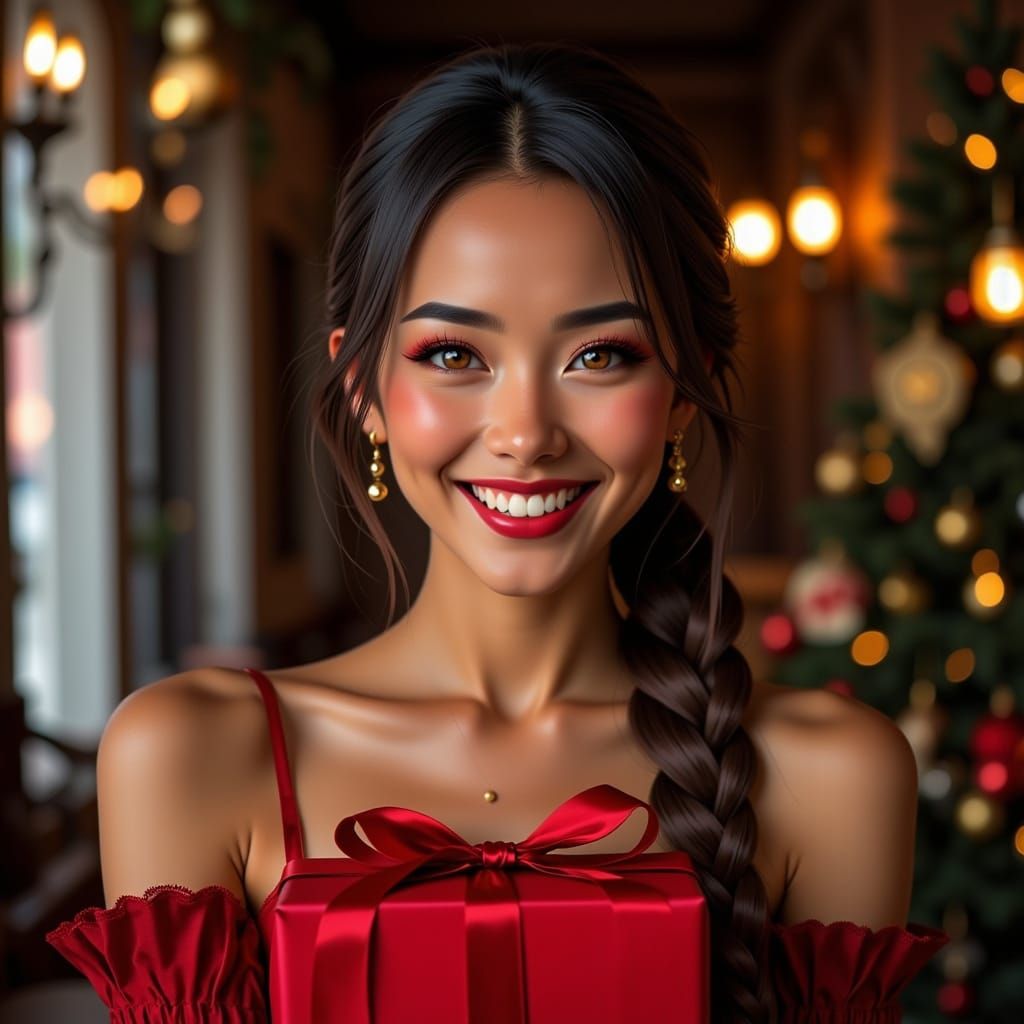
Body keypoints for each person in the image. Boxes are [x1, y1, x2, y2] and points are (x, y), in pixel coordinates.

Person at [45, 41, 948, 1023]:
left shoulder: (832, 774)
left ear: (681, 389)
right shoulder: (189, 756)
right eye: (453, 354)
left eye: (600, 353)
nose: (526, 433)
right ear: (364, 389)